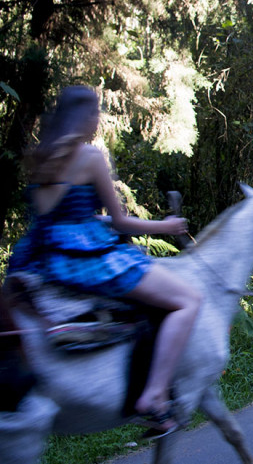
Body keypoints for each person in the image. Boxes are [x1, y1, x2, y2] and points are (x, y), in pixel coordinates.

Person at [7, 86, 203, 438]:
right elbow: (121, 222)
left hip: (47, 258)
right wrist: (166, 226)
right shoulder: (91, 157)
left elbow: (53, 218)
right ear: (84, 118)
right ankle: (156, 397)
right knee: (188, 300)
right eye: (95, 113)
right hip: (90, 260)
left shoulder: (39, 158)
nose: (98, 120)